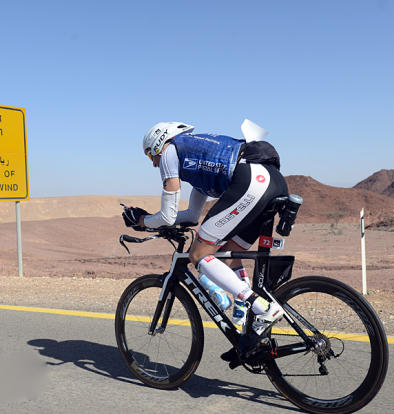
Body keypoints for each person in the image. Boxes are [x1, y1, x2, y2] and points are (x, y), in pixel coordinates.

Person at [122, 121, 288, 335]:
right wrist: (153, 221)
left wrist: (141, 220)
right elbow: (192, 216)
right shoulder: (199, 166)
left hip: (252, 180)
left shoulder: (169, 152)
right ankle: (247, 317)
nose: (154, 164)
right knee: (225, 255)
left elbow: (167, 215)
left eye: (150, 156)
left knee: (199, 254)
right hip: (273, 181)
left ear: (158, 145)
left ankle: (261, 307)